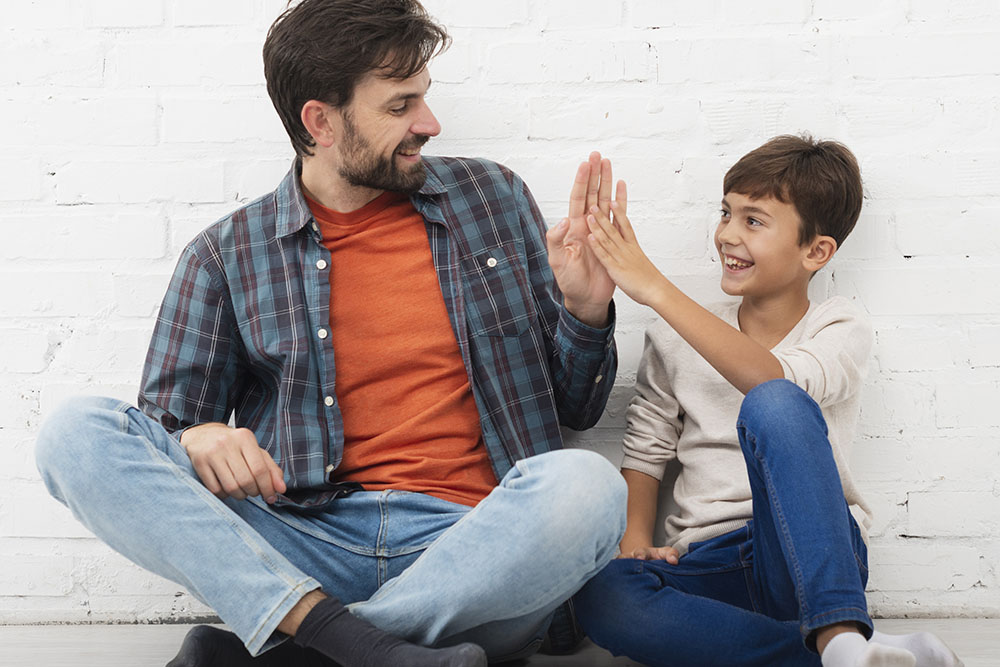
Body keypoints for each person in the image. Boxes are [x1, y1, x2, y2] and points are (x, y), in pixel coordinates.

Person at [33, 1, 629, 666]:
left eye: (424, 99)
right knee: (75, 434)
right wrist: (197, 436)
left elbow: (574, 410)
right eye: (400, 105)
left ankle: (317, 646)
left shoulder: (491, 199)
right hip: (303, 539)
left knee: (591, 488)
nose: (428, 124)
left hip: (470, 551)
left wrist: (585, 311)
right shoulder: (225, 255)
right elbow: (158, 445)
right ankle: (363, 645)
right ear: (320, 121)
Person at [570, 135, 964, 667]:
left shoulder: (838, 326)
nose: (728, 234)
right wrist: (636, 542)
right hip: (708, 561)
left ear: (816, 251)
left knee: (774, 401)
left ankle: (837, 631)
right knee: (601, 595)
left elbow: (771, 380)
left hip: (810, 559)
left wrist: (655, 289)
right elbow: (647, 447)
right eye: (726, 212)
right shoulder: (674, 338)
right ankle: (841, 655)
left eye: (753, 221)